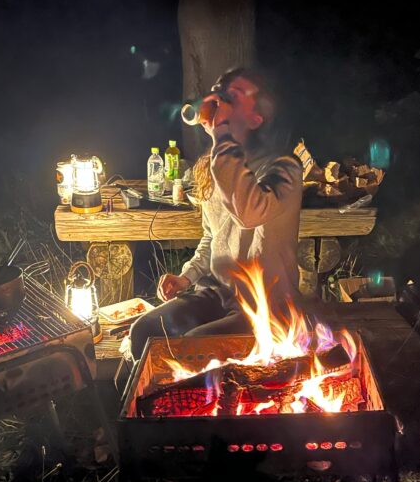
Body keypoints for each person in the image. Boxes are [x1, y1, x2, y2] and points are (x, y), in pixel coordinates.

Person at [126, 68, 303, 361]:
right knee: (143, 331)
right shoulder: (214, 164)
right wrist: (186, 278)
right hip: (216, 292)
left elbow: (248, 213)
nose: (219, 99)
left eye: (232, 95)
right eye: (219, 91)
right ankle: (141, 404)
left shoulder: (284, 169)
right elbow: (213, 237)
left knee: (194, 348)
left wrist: (221, 134)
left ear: (256, 118)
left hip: (264, 304)